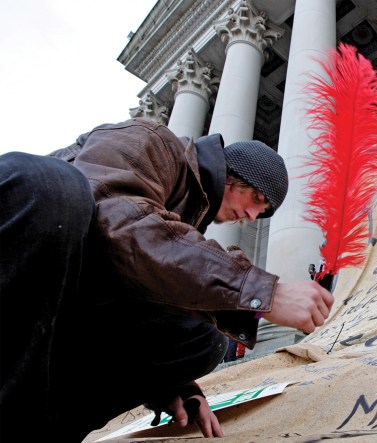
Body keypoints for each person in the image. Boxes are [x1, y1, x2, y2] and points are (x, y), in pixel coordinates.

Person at [0, 118, 334, 441]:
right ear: (233, 175)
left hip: (66, 319)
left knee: (202, 338)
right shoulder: (151, 141)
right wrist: (264, 292)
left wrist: (171, 384)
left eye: (260, 215)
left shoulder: (187, 216)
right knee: (56, 185)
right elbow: (117, 227)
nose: (250, 217)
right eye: (256, 201)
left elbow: (134, 290)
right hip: (25, 268)